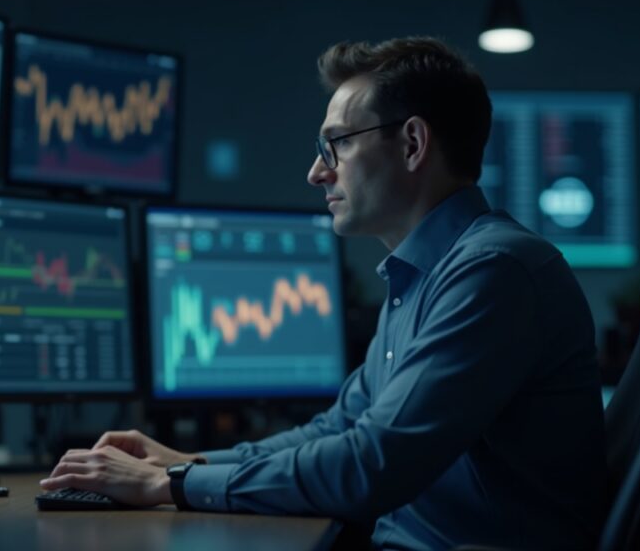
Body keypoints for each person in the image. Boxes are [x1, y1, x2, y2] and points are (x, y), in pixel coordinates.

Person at [39, 37, 607, 549]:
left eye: (336, 144)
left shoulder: (492, 271)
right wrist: (193, 460)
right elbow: (337, 430)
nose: (317, 172)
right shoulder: (424, 274)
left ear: (412, 144)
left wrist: (171, 484)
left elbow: (371, 465)